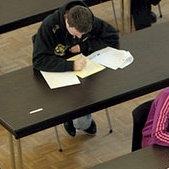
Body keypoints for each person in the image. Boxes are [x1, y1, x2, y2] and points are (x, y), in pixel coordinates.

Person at [32, 1, 119, 137]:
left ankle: (81, 122)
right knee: (70, 97)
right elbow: (39, 60)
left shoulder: (88, 19)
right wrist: (71, 66)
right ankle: (71, 118)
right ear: (67, 22)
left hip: (84, 65)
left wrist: (84, 46)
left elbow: (113, 37)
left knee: (87, 93)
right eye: (77, 34)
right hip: (59, 66)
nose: (79, 38)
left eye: (83, 35)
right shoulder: (49, 25)